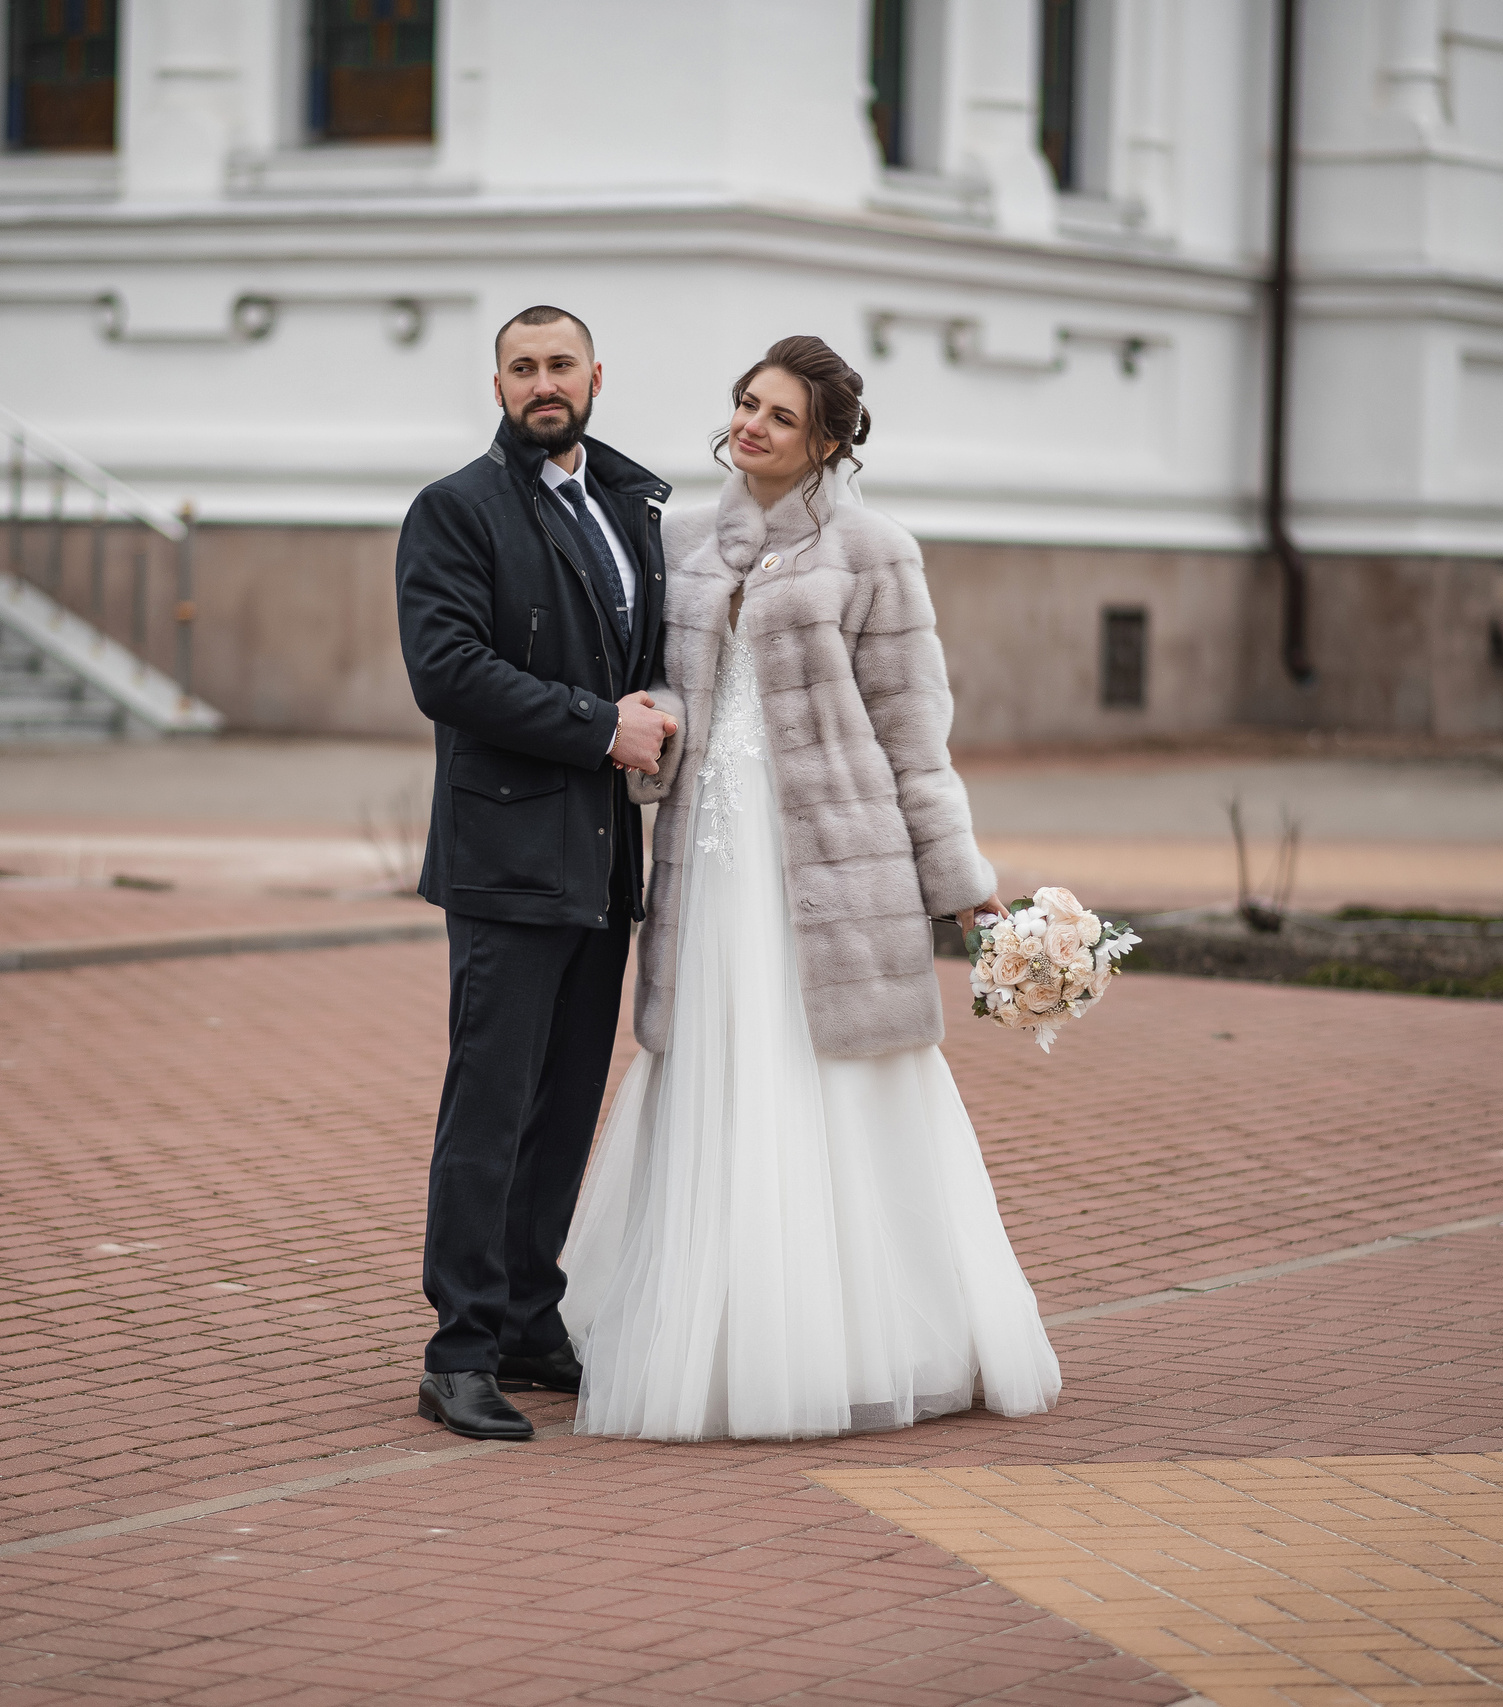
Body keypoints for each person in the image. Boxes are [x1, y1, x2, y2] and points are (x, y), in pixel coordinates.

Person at [558, 334, 1064, 1440]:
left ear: (827, 440)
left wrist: (965, 887)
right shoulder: (680, 540)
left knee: (841, 1074)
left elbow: (913, 738)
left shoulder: (877, 552)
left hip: (835, 862)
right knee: (713, 1062)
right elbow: (646, 685)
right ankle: (709, 1323)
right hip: (711, 855)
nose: (749, 426)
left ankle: (873, 1331)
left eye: (778, 416)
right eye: (744, 404)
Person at [395, 305, 679, 1441]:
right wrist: (595, 726)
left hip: (604, 857)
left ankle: (525, 1315)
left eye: (560, 364)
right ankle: (457, 1348)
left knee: (561, 1110)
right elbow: (447, 671)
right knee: (491, 1105)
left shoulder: (626, 504)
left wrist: (657, 706)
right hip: (506, 856)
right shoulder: (455, 512)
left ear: (596, 375)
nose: (542, 384)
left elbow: (639, 658)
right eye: (523, 368)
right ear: (498, 382)